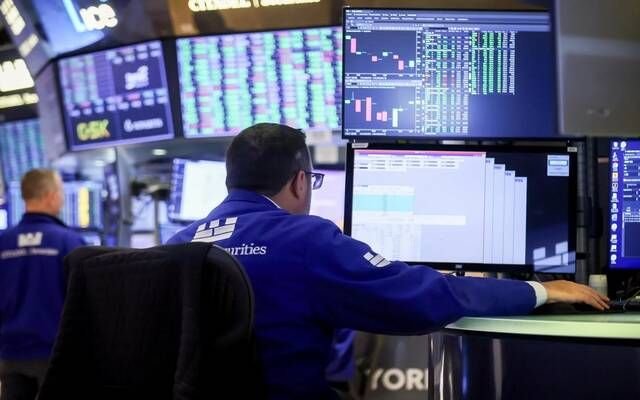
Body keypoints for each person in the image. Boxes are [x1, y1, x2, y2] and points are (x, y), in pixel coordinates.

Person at [167, 123, 608, 399]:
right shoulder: (305, 239)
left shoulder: (176, 247)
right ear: (300, 182)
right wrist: (541, 290)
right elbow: (420, 297)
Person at [0, 169, 86, 400]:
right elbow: (85, 302)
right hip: (55, 354)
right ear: (50, 195)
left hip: (10, 353)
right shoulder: (70, 242)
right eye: (61, 191)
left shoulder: (3, 242)